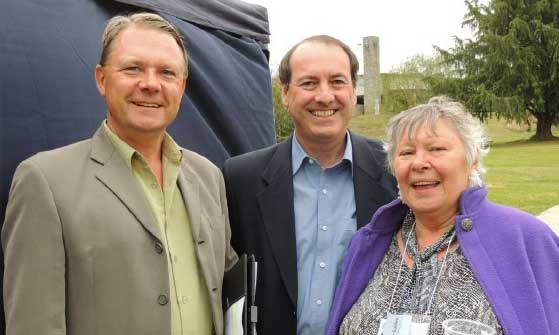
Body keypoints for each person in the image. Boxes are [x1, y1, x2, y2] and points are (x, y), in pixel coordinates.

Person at [2, 13, 237, 335]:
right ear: (101, 78)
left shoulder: (209, 176)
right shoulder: (44, 181)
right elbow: (32, 324)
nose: (151, 84)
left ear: (181, 86)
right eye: (133, 68)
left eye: (167, 72)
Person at [326, 97, 559, 335]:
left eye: (436, 149)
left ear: (472, 159)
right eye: (406, 152)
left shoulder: (526, 239)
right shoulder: (370, 242)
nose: (419, 163)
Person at [222, 35, 398, 335]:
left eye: (337, 81)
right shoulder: (241, 178)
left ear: (353, 90)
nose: (325, 96)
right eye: (309, 83)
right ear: (285, 94)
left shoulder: (394, 171)